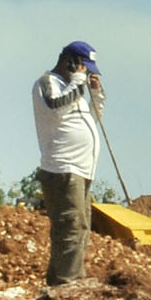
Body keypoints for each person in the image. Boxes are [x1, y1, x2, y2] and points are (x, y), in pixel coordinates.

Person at [32, 40, 103, 285]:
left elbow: (95, 117)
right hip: (63, 168)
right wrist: (78, 83)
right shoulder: (48, 83)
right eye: (82, 66)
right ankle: (66, 282)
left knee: (81, 226)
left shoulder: (75, 89)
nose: (85, 72)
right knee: (69, 227)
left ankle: (66, 279)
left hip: (81, 169)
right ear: (68, 61)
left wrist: (94, 93)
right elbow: (55, 108)